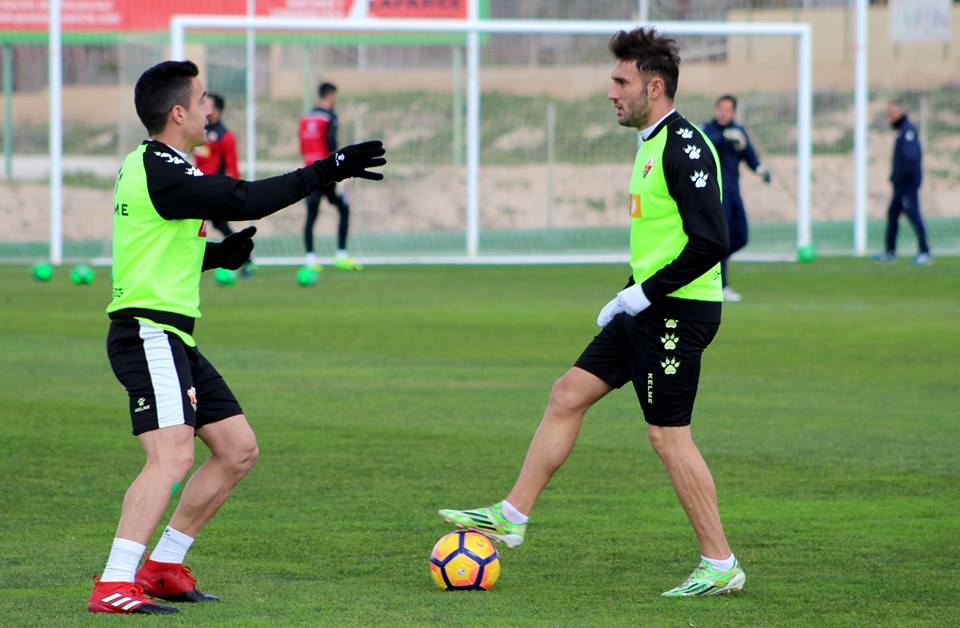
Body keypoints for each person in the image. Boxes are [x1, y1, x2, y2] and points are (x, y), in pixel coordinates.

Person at [439, 28, 744, 597]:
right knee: (567, 393)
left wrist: (642, 295)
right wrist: (630, 295)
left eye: (620, 81)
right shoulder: (649, 143)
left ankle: (720, 563)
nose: (611, 92)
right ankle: (512, 515)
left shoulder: (685, 147)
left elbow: (710, 242)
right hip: (649, 305)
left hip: (678, 313)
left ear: (654, 87)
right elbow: (663, 239)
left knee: (669, 438)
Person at [88, 60, 385, 615]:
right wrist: (330, 167)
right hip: (147, 333)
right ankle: (112, 583)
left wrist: (216, 255)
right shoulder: (162, 169)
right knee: (170, 459)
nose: (210, 108)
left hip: (170, 334)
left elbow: (153, 249)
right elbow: (245, 200)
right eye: (202, 100)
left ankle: (163, 566)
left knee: (236, 449)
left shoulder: (156, 165)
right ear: (178, 112)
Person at [701, 95, 771, 302]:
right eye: (720, 108)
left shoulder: (739, 132)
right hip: (714, 195)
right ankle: (720, 286)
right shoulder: (707, 130)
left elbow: (749, 154)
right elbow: (707, 143)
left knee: (740, 237)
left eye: (727, 110)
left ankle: (710, 262)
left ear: (733, 112)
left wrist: (760, 170)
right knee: (722, 240)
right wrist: (725, 138)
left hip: (733, 194)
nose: (723, 113)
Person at [300, 82, 359, 271]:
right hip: (326, 171)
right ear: (331, 95)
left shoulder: (306, 117)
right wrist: (338, 169)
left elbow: (302, 142)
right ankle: (341, 255)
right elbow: (331, 142)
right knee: (343, 207)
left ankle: (310, 258)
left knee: (311, 213)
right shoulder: (329, 117)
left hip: (309, 169)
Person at [193, 93, 254, 276]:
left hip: (214, 191)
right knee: (209, 225)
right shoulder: (199, 133)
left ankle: (246, 259)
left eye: (208, 105)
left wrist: (235, 191)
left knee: (213, 225)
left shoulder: (225, 137)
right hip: (196, 188)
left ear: (217, 111)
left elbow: (232, 167)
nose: (204, 109)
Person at [874, 101, 932, 264]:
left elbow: (911, 159)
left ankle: (925, 252)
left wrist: (904, 179)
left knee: (913, 214)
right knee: (893, 215)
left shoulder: (907, 131)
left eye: (891, 114)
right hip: (901, 184)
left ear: (900, 113)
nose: (889, 118)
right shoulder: (902, 130)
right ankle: (890, 252)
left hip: (907, 184)